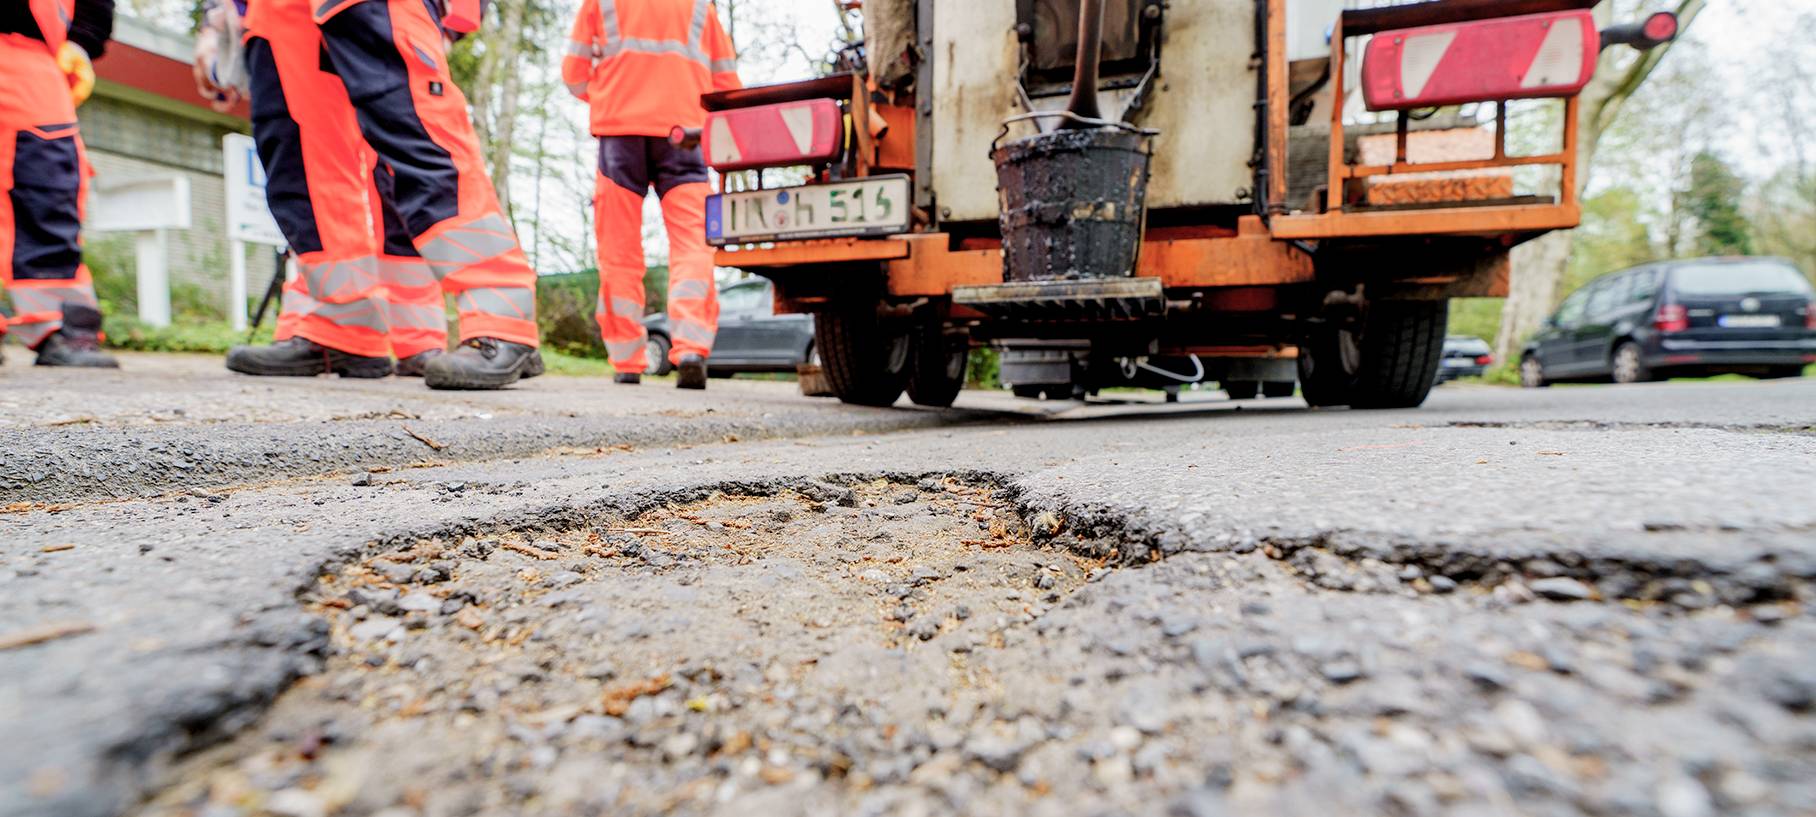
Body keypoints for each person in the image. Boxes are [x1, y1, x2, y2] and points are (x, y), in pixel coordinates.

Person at [200, 0, 541, 389]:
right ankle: (342, 327)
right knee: (301, 162)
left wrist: (457, 19)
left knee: (415, 127)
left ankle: (500, 316)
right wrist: (215, 17)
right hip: (270, 13)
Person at [562, 0, 740, 389]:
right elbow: (727, 86)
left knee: (618, 249)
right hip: (685, 132)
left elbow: (573, 75)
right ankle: (691, 349)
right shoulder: (700, 6)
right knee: (693, 243)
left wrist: (611, 95)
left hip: (619, 133)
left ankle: (627, 360)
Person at [0, 0, 120, 368]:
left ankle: (61, 324)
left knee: (46, 184)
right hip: (31, 57)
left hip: (31, 54)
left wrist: (82, 41)